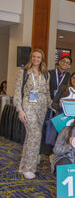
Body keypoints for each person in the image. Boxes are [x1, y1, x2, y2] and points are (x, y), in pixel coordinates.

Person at [13, 49, 51, 179]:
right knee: (35, 135)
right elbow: (18, 92)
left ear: (42, 59)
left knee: (31, 137)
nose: (36, 59)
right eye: (34, 56)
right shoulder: (23, 73)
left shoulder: (45, 74)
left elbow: (47, 93)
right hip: (28, 105)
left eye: (38, 57)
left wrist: (53, 105)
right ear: (31, 58)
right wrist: (20, 109)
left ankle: (23, 165)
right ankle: (29, 168)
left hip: (41, 108)